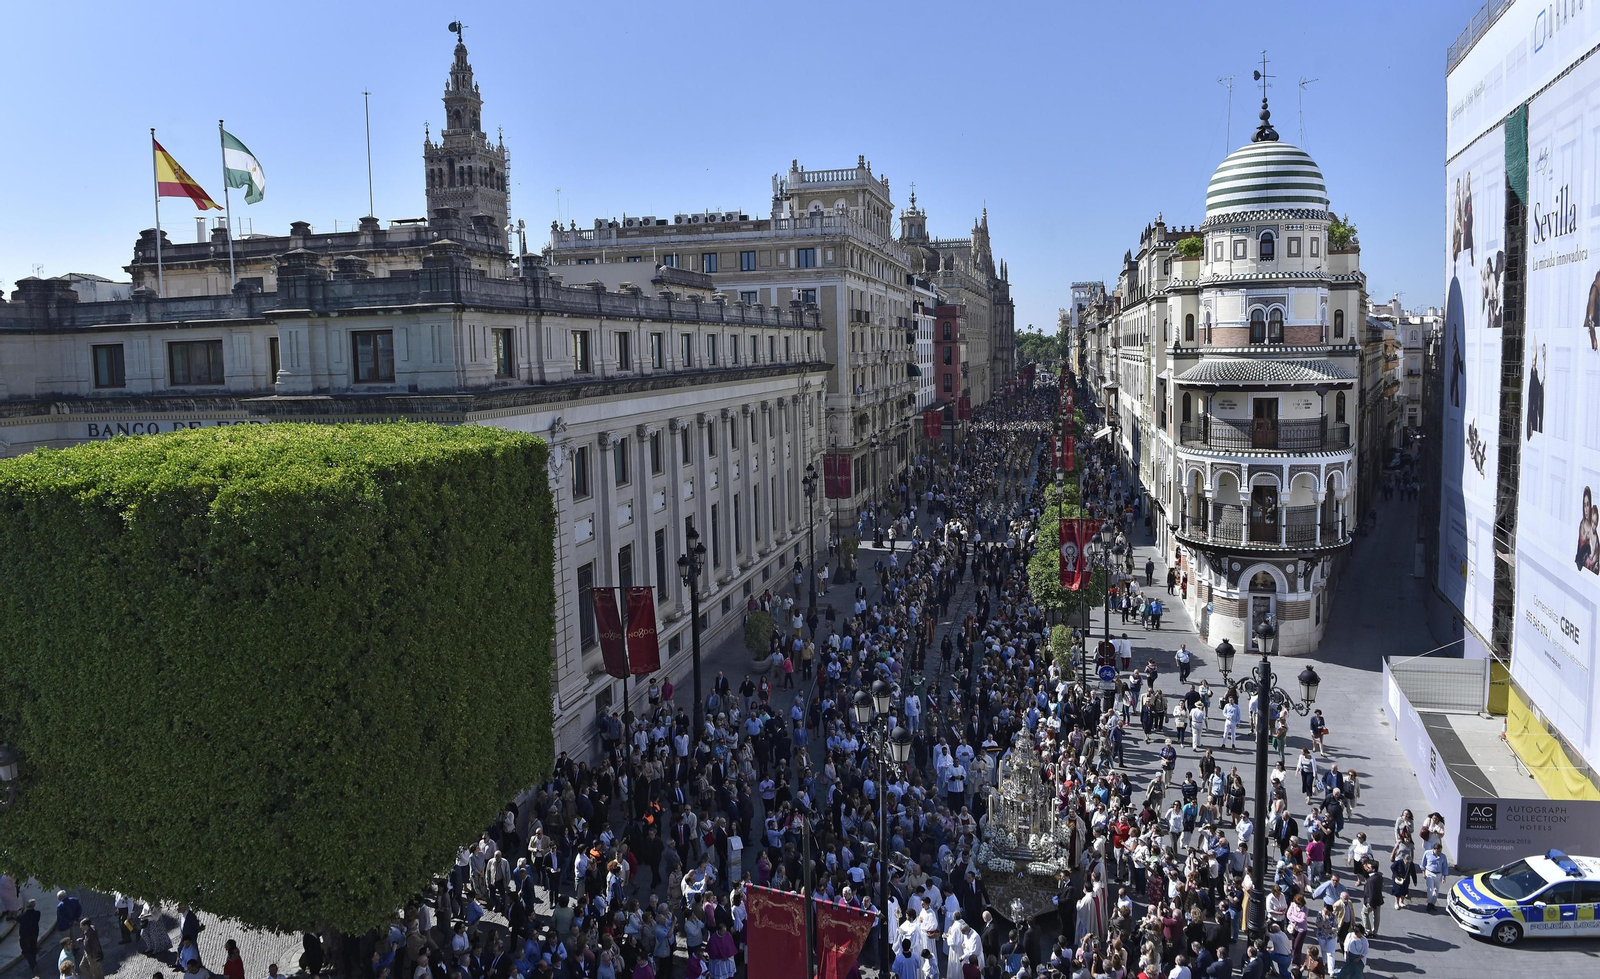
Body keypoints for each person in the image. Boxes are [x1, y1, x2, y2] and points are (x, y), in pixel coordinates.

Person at [1422, 843, 1449, 909]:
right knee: (1430, 889)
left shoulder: (1443, 856)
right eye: (1438, 851)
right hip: (1429, 873)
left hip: (1438, 874)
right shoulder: (1427, 853)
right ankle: (1429, 902)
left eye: (1440, 851)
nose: (1439, 853)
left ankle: (1432, 904)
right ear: (1434, 849)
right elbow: (1423, 863)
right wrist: (1423, 872)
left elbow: (1445, 867)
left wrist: (1444, 877)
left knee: (1436, 890)